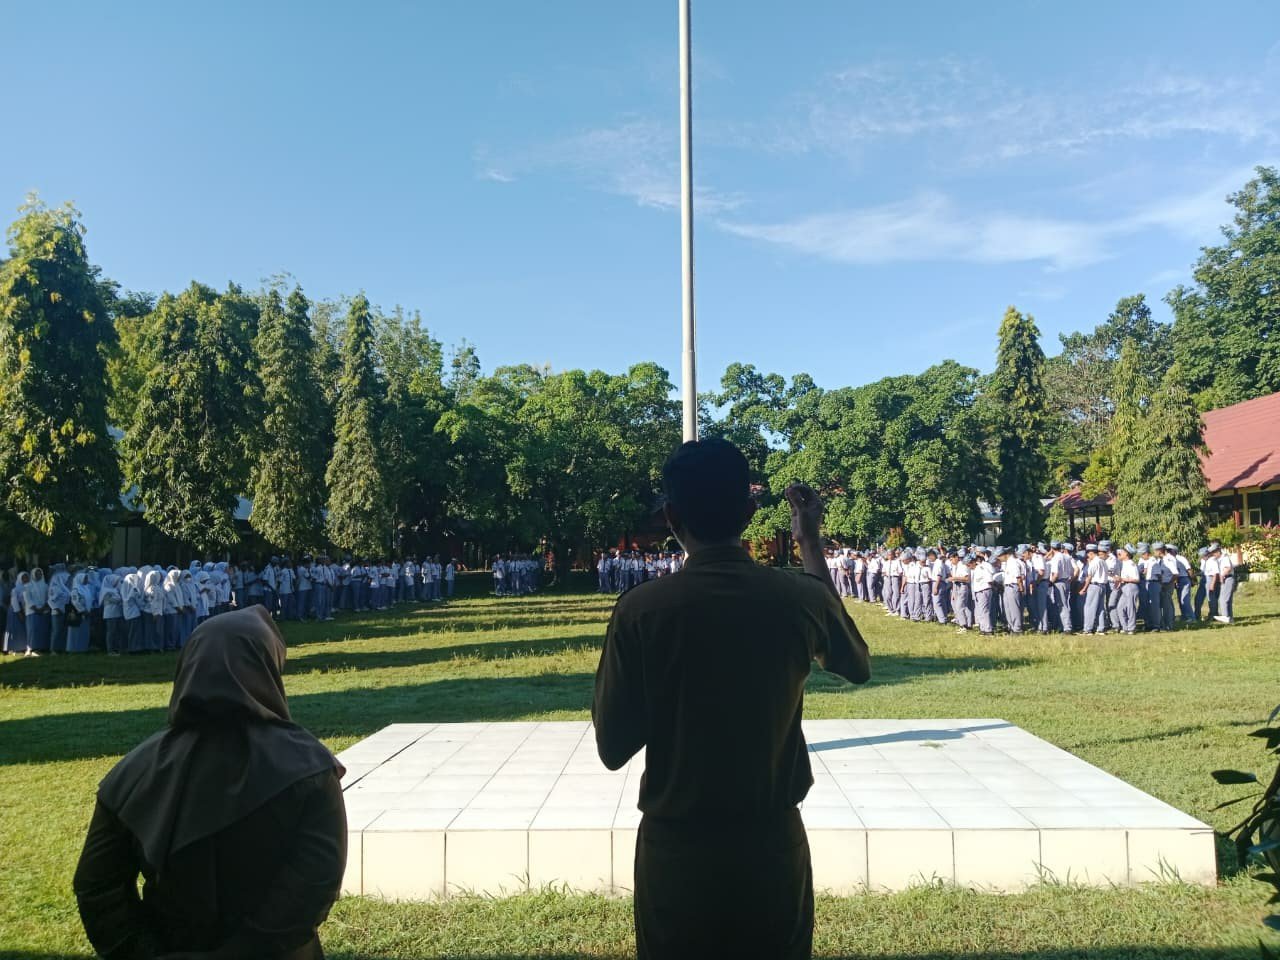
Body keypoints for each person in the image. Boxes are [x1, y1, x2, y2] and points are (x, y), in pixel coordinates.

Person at [593, 439, 870, 960]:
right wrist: (809, 544)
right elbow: (856, 663)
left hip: (678, 853)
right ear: (748, 512)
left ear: (672, 517)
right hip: (770, 846)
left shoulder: (642, 611)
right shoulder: (798, 598)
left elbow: (613, 746)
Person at [74, 605, 348, 960]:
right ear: (266, 668)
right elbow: (314, 883)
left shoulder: (131, 775)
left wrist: (142, 952)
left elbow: (97, 885)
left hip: (171, 946)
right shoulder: (309, 768)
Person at [5, 571, 30, 655]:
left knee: (22, 630)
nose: (26, 579)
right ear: (19, 579)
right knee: (14, 629)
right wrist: (19, 614)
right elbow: (14, 603)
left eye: (27, 577)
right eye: (23, 578)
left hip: (23, 610)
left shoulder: (29, 588)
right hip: (15, 611)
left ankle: (21, 647)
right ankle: (12, 648)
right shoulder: (15, 590)